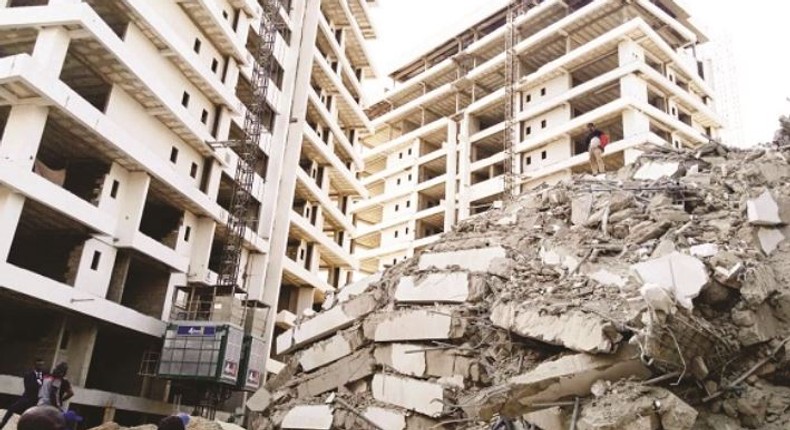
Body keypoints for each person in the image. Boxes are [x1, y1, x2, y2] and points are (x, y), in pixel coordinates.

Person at [0, 358, 47, 429]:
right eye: (39, 365)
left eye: (42, 365)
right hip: (27, 398)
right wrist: (38, 384)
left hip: (37, 400)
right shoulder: (29, 375)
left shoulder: (44, 376)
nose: (40, 367)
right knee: (11, 408)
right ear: (35, 365)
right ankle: (2, 424)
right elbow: (28, 387)